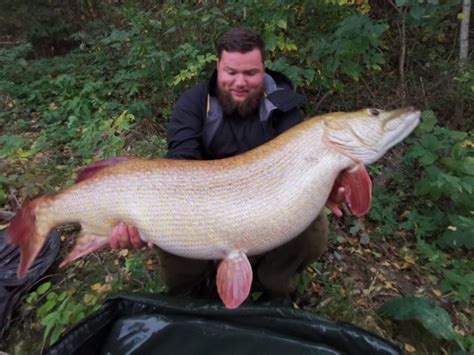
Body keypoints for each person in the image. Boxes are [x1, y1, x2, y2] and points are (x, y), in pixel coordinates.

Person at [109, 27, 328, 301]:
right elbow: (181, 160)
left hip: (263, 206)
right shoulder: (194, 102)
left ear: (264, 69)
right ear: (218, 67)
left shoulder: (282, 105)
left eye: (250, 73)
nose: (240, 82)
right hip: (202, 207)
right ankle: (192, 292)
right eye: (231, 72)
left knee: (311, 221)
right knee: (168, 216)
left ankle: (274, 288)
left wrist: (328, 184)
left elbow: (299, 165)